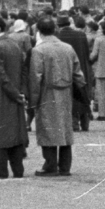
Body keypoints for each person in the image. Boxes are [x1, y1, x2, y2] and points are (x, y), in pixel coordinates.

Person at [28, 18, 85, 176]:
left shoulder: (38, 50)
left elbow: (35, 77)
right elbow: (78, 74)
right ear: (55, 30)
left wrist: (33, 100)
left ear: (38, 31)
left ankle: (50, 164)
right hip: (66, 93)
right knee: (65, 128)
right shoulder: (68, 48)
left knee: (47, 128)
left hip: (47, 93)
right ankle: (65, 166)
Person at [0, 15, 31, 175]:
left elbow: (0, 75)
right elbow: (24, 69)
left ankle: (0, 169)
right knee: (15, 132)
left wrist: (14, 93)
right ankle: (18, 169)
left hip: (1, 95)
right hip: (15, 93)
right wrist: (21, 92)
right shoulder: (14, 45)